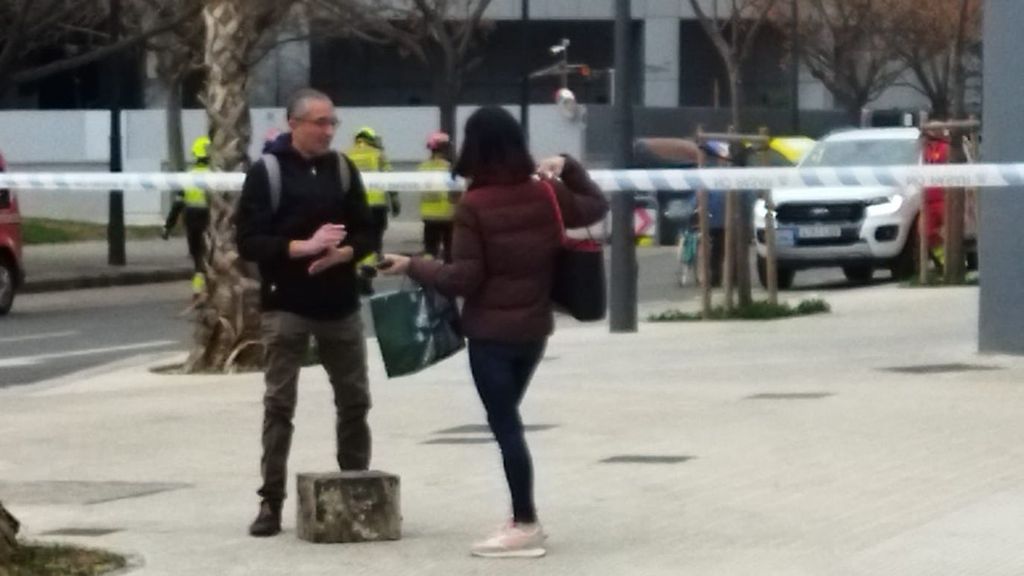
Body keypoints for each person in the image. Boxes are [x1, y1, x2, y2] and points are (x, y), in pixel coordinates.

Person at [379, 106, 608, 558]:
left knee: (506, 426)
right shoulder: (546, 193)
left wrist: (413, 265)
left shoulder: (474, 206)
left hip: (491, 335)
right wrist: (569, 165)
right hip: (534, 331)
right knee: (508, 422)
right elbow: (597, 205)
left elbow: (464, 278)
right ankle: (520, 518)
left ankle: (525, 524)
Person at [235, 88, 375, 538]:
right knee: (279, 405)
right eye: (320, 122)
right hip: (287, 304)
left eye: (332, 122)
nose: (329, 130)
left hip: (340, 305)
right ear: (294, 124)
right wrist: (303, 248)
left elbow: (370, 228)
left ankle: (356, 489)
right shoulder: (268, 173)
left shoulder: (342, 168)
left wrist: (345, 253)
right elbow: (249, 241)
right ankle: (270, 502)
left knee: (354, 401)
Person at [345, 127, 399, 293]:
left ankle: (357, 273)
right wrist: (395, 201)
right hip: (376, 206)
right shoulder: (378, 154)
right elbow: (389, 178)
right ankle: (367, 274)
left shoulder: (347, 155)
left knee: (356, 238)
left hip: (354, 206)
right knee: (374, 240)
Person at [162, 136, 212, 297]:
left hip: (191, 219)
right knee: (210, 255)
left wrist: (168, 226)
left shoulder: (188, 177)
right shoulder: (216, 176)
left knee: (197, 256)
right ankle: (209, 289)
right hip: (209, 220)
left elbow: (178, 204)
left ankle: (198, 290)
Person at [418, 131, 458, 261]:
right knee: (450, 249)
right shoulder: (449, 167)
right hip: (448, 215)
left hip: (428, 215)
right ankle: (449, 274)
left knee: (430, 249)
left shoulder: (422, 167)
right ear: (445, 148)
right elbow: (455, 192)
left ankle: (426, 275)